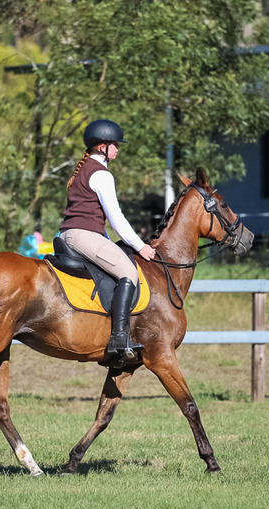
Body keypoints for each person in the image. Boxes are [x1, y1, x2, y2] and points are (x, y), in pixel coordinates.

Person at [59, 119, 156, 367]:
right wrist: (140, 246)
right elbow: (117, 220)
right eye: (115, 144)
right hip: (84, 235)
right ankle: (119, 339)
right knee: (128, 271)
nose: (118, 149)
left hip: (72, 234)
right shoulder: (101, 174)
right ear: (102, 146)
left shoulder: (84, 169)